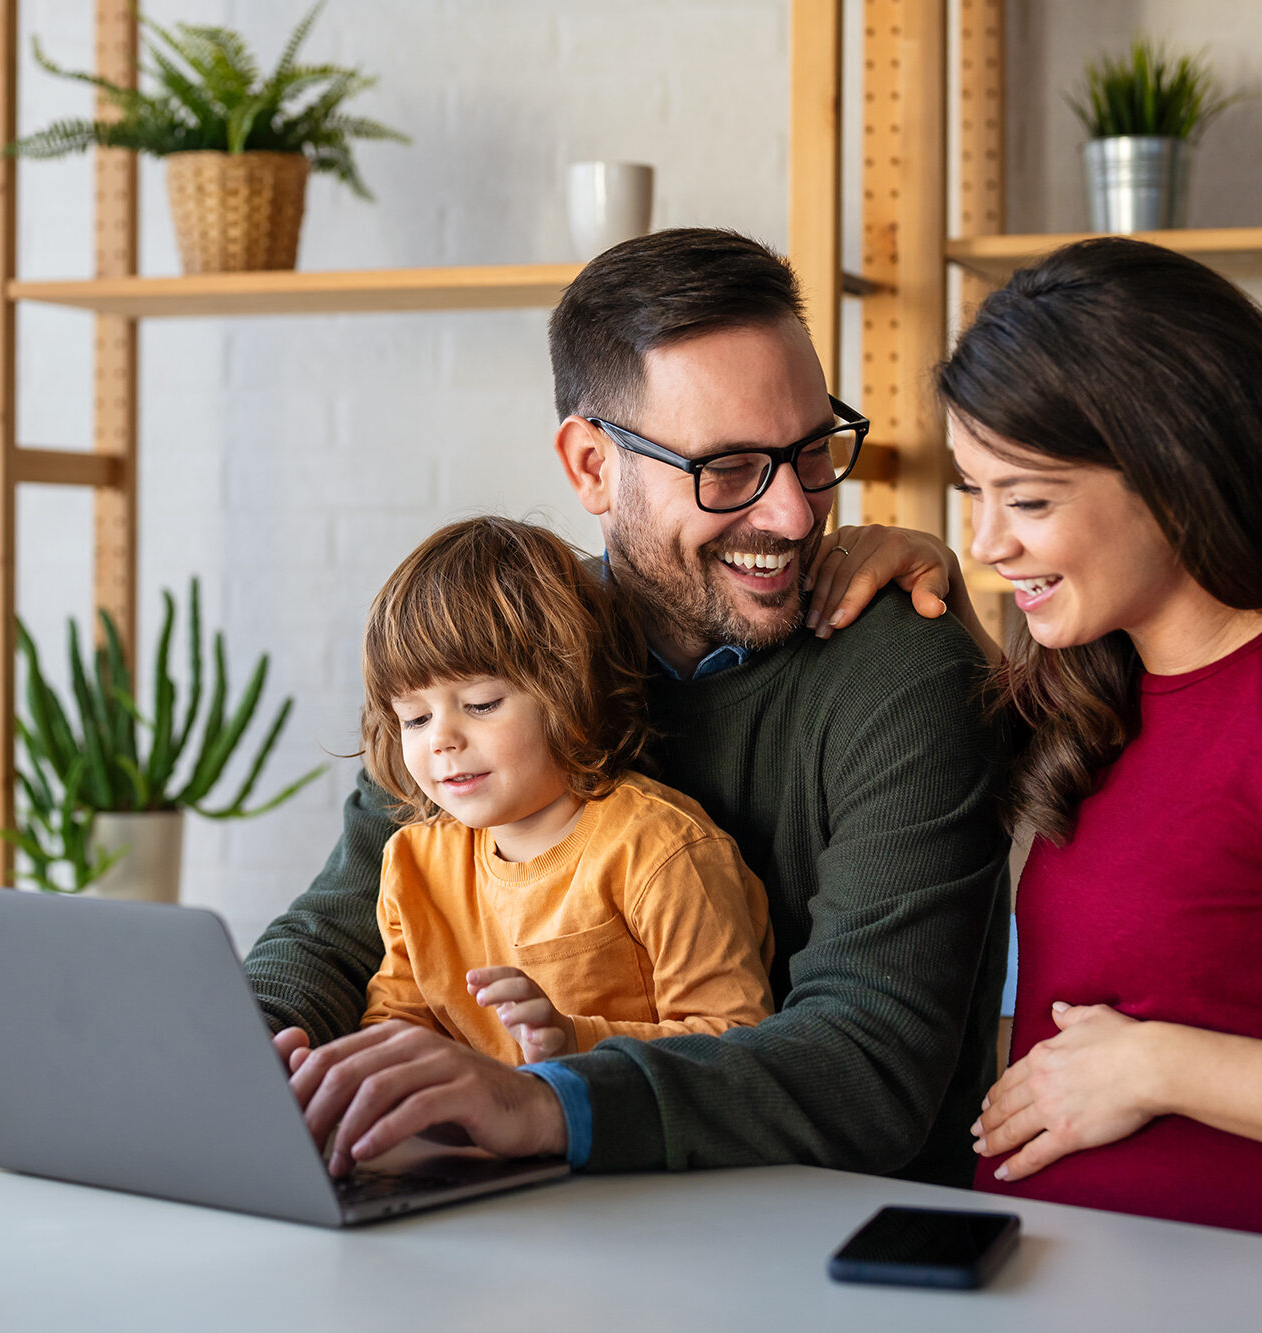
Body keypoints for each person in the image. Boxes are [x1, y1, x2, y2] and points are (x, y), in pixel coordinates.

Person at [246, 227, 1010, 1185]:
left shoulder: (899, 669)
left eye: (812, 451)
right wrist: (240, 1051)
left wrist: (539, 1102)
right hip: (519, 1217)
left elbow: (867, 1063)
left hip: (819, 1250)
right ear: (591, 467)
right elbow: (335, 930)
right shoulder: (506, 644)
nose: (795, 514)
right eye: (728, 468)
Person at [805, 236, 1262, 1232]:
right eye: (976, 493)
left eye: (1028, 499)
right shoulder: (1097, 680)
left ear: (1175, 469)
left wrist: (1158, 1065)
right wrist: (924, 570)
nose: (988, 541)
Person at [313, 516, 774, 1132]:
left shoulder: (662, 849)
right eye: (415, 719)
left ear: (572, 688)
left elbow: (738, 1039)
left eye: (480, 704)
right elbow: (399, 1023)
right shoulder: (414, 865)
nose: (442, 740)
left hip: (634, 1165)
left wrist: (571, 1041)